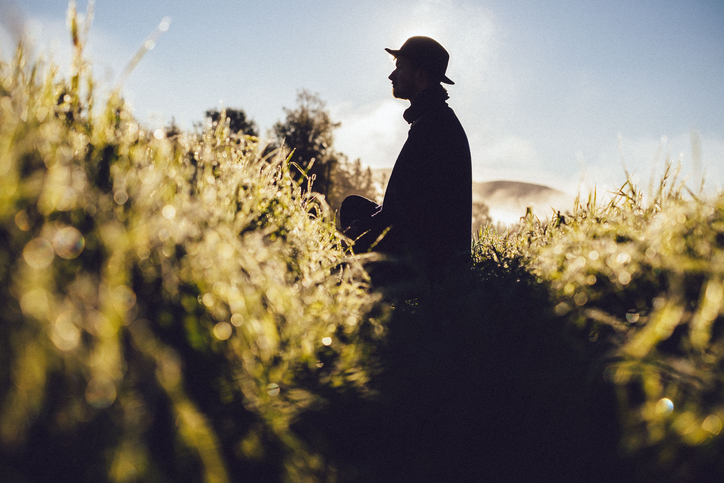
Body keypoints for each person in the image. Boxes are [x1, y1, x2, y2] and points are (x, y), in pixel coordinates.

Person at [340, 36, 472, 285]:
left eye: (400, 67)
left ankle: (355, 297)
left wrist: (363, 228)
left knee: (355, 221)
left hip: (430, 261)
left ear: (421, 76)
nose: (392, 75)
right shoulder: (435, 118)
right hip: (433, 248)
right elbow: (409, 202)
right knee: (354, 207)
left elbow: (404, 211)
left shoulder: (433, 126)